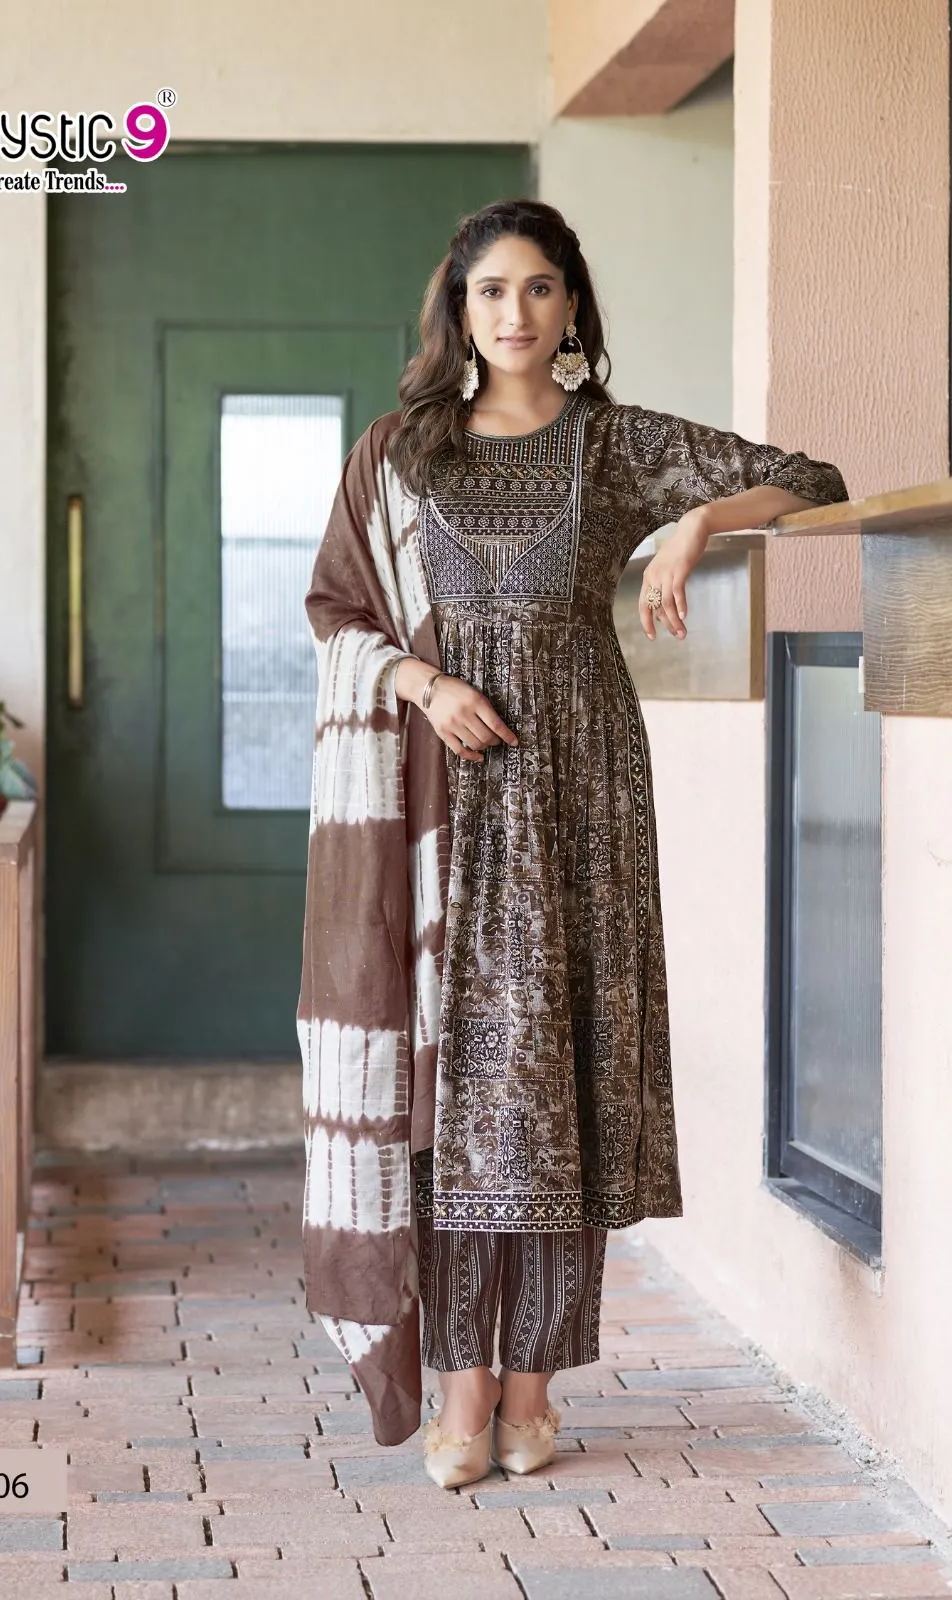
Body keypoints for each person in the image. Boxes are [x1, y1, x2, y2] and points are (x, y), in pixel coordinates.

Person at [297, 198, 848, 1488]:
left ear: (573, 306)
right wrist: (425, 685)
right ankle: (460, 1382)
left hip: (583, 786)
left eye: (540, 288)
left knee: (561, 1081)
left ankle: (533, 1388)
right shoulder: (402, 452)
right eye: (491, 290)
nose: (516, 313)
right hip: (444, 798)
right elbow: (336, 607)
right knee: (460, 1086)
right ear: (459, 309)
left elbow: (814, 479)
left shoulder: (614, 443)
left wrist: (697, 523)